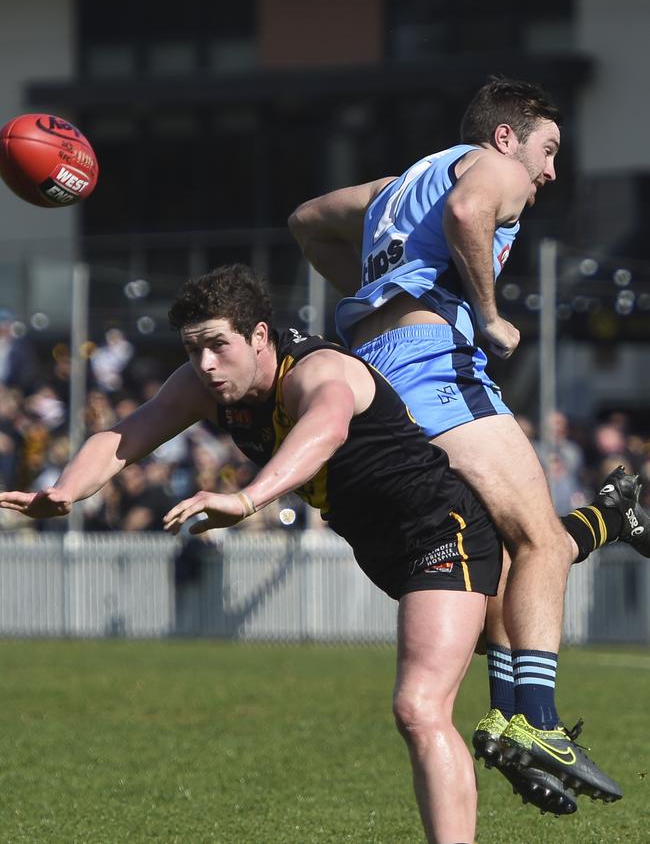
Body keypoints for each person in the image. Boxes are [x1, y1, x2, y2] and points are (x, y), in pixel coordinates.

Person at [0, 264, 630, 842]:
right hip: (389, 549)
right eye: (193, 349)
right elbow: (131, 430)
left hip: (442, 534)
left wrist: (248, 499)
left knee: (419, 707)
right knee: (522, 587)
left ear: (260, 336)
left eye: (217, 344)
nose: (206, 364)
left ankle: (517, 734)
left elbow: (323, 432)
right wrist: (65, 490)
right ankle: (611, 517)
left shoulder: (319, 371)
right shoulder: (208, 384)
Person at [288, 76, 650, 810]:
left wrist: (374, 293)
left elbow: (304, 220)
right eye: (547, 150)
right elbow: (467, 210)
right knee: (543, 542)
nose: (547, 172)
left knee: (498, 545)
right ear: (507, 135)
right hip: (434, 365)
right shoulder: (494, 167)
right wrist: (488, 313)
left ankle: (507, 712)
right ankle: (538, 724)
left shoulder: (397, 185)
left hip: (378, 375)